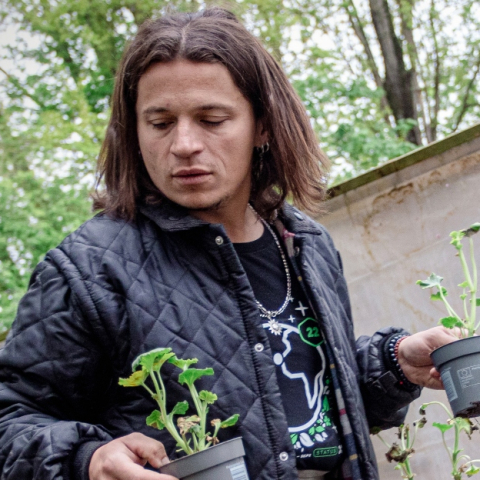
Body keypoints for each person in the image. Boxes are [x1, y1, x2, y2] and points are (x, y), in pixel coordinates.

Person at [0, 8, 459, 480]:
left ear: (263, 125)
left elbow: (302, 413)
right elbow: (10, 421)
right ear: (134, 132)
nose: (183, 144)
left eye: (211, 119)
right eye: (159, 123)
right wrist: (88, 459)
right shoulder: (88, 269)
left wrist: (395, 364)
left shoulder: (306, 244)